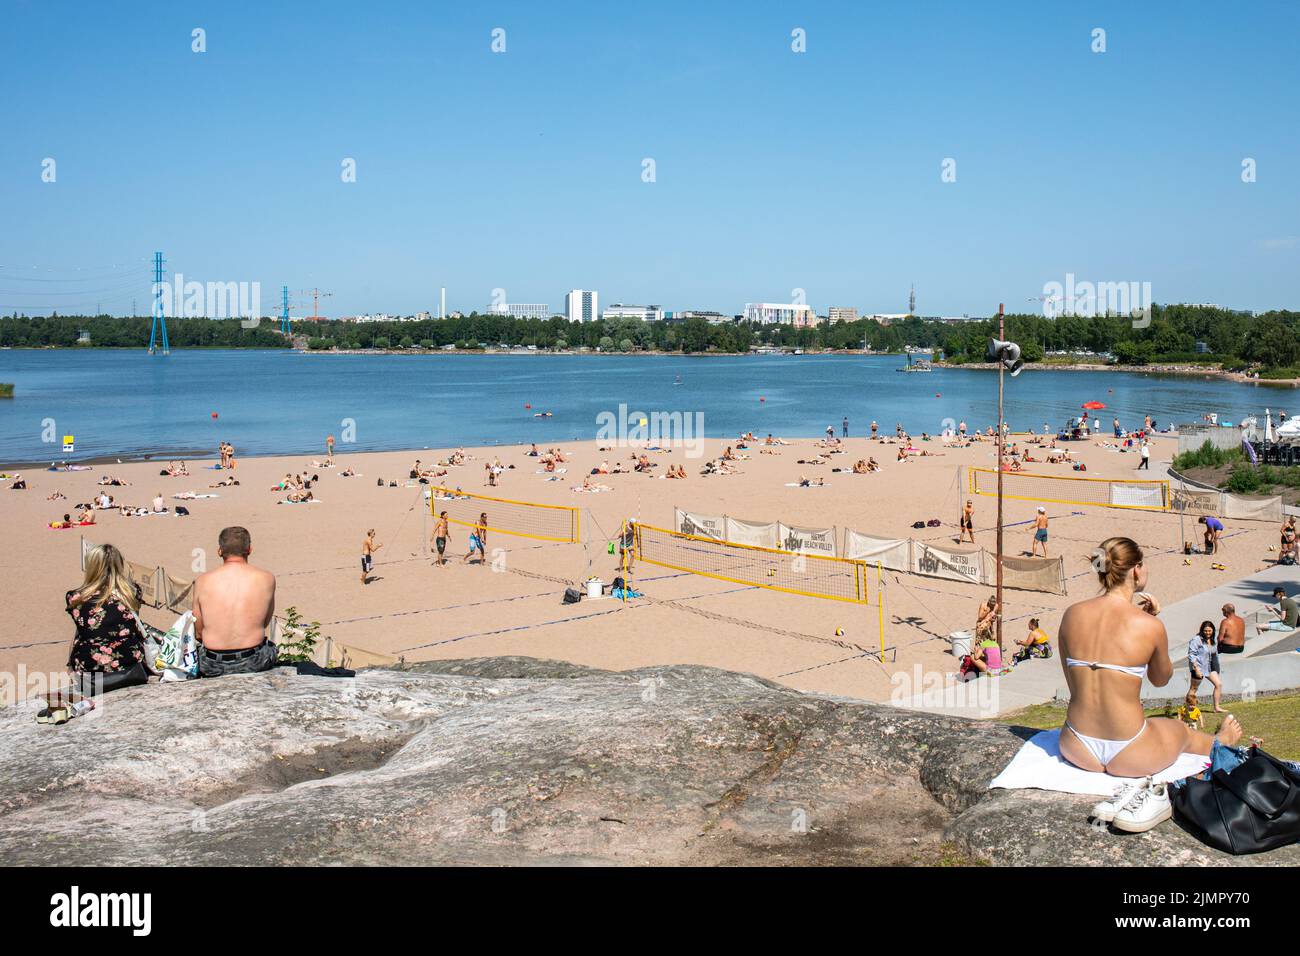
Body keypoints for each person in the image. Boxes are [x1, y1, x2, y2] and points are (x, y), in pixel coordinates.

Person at [1057, 536, 1242, 779]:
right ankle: (1219, 741)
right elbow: (1160, 679)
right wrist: (1154, 625)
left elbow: (1074, 685)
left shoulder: (1072, 614)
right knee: (1180, 730)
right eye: (1143, 564)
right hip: (1131, 752)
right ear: (1136, 570)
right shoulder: (1149, 625)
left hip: (1075, 744)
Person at [64, 543, 151, 695]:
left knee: (83, 632)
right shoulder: (132, 592)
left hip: (92, 670)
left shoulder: (76, 598)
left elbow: (83, 630)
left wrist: (69, 665)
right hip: (130, 664)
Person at [191, 527, 278, 677]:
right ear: (249, 549)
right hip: (253, 659)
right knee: (271, 648)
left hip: (213, 662)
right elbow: (264, 622)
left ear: (219, 551)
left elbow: (198, 629)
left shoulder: (202, 581)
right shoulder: (266, 578)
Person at [1188, 620, 1224, 713]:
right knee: (1194, 688)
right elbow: (1191, 654)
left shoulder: (1212, 639)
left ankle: (1216, 707)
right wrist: (1196, 669)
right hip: (1198, 667)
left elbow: (1214, 653)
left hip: (1209, 666)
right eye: (1205, 631)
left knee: (1218, 684)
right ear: (1202, 630)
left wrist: (1217, 667)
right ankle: (1189, 709)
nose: (1207, 633)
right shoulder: (1197, 639)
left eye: (1209, 631)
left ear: (1212, 631)